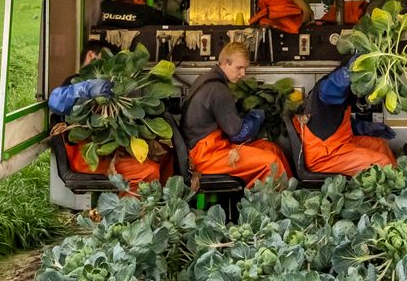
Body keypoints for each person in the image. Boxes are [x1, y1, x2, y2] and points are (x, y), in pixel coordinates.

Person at [51, 39, 170, 190]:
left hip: (108, 152)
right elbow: (55, 102)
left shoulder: (108, 87)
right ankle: (132, 211)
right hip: (86, 156)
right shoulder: (74, 82)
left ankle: (162, 201)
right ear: (91, 56)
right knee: (148, 170)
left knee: (167, 155)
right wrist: (87, 88)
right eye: (108, 61)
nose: (111, 69)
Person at [182, 41, 292, 186]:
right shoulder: (219, 90)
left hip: (213, 147)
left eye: (245, 69)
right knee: (271, 162)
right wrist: (256, 117)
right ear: (225, 63)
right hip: (206, 156)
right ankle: (275, 205)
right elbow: (235, 132)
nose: (243, 74)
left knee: (273, 149)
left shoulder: (205, 78)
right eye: (239, 68)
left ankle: (292, 192)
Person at [293, 61, 397, 175]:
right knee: (382, 163)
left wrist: (366, 128)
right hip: (325, 156)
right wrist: (351, 70)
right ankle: (391, 189)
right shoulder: (326, 90)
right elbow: (334, 85)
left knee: (379, 144)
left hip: (340, 143)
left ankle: (398, 179)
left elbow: (339, 124)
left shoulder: (342, 96)